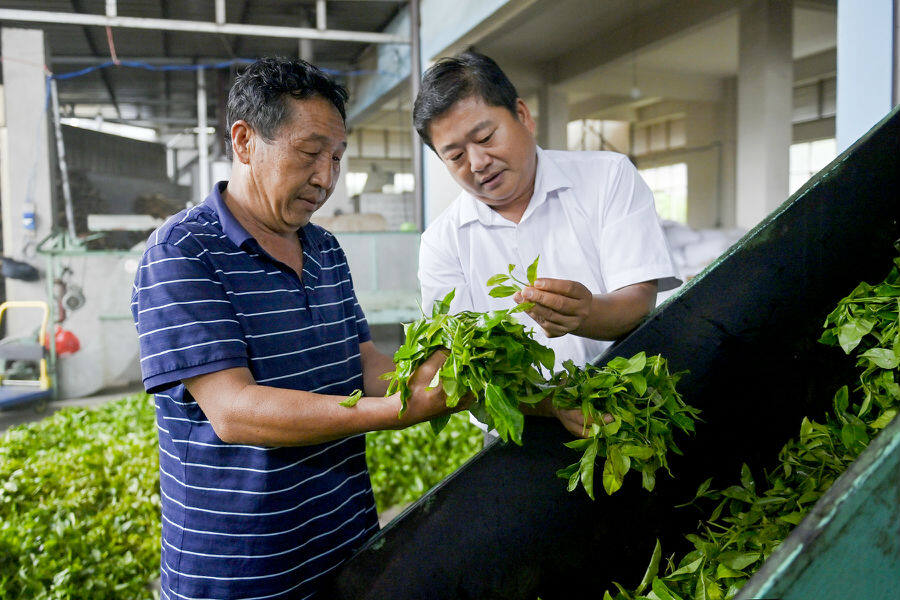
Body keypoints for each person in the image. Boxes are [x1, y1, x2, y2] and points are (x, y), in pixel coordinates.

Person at [131, 58, 458, 600]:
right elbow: (234, 411)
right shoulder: (183, 251)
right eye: (309, 154)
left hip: (344, 544)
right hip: (244, 570)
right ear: (244, 140)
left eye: (335, 158)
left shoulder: (325, 249)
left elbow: (362, 364)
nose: (326, 178)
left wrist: (434, 372)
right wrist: (398, 412)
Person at [413, 51, 680, 436]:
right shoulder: (442, 241)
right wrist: (551, 403)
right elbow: (460, 369)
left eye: (486, 137)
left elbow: (639, 300)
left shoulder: (607, 178)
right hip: (517, 430)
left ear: (522, 115)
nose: (477, 162)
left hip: (625, 407)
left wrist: (586, 314)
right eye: (455, 156)